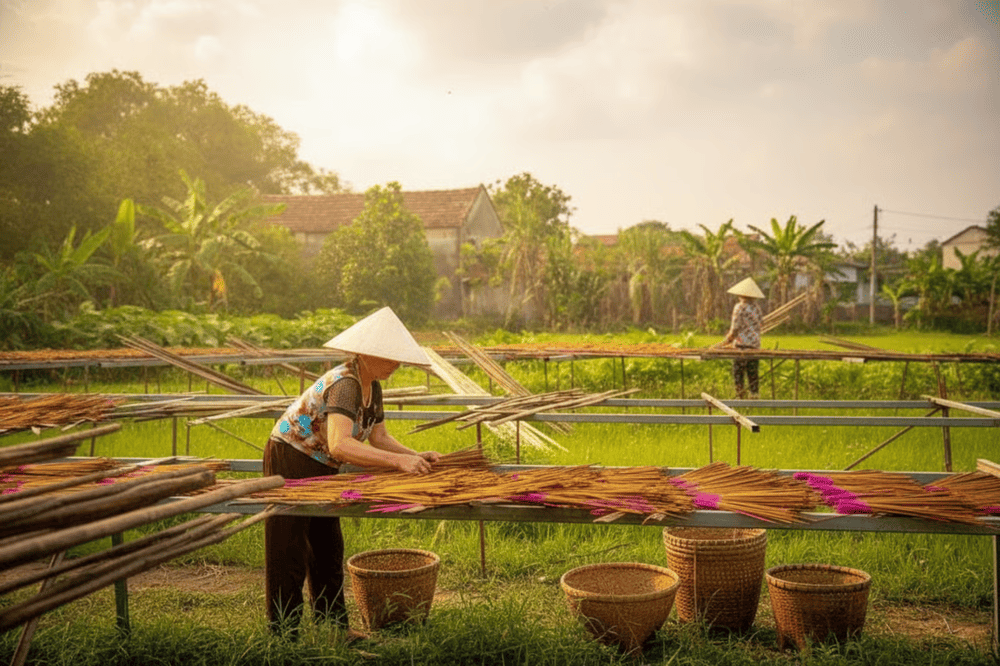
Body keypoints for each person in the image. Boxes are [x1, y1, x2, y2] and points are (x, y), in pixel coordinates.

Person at [263, 306, 440, 639]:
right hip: (290, 454)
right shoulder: (345, 384)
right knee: (289, 549)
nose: (397, 364)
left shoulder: (372, 386)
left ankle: (333, 628)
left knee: (328, 546)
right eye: (390, 356)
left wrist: (416, 456)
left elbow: (380, 437)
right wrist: (399, 464)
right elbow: (340, 445)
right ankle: (283, 636)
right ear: (366, 353)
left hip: (320, 462)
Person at [720, 277, 765, 399]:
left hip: (741, 346)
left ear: (741, 294)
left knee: (738, 372)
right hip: (754, 345)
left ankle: (741, 396)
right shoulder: (756, 308)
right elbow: (761, 323)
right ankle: (754, 396)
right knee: (752, 372)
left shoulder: (739, 307)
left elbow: (735, 327)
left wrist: (728, 338)